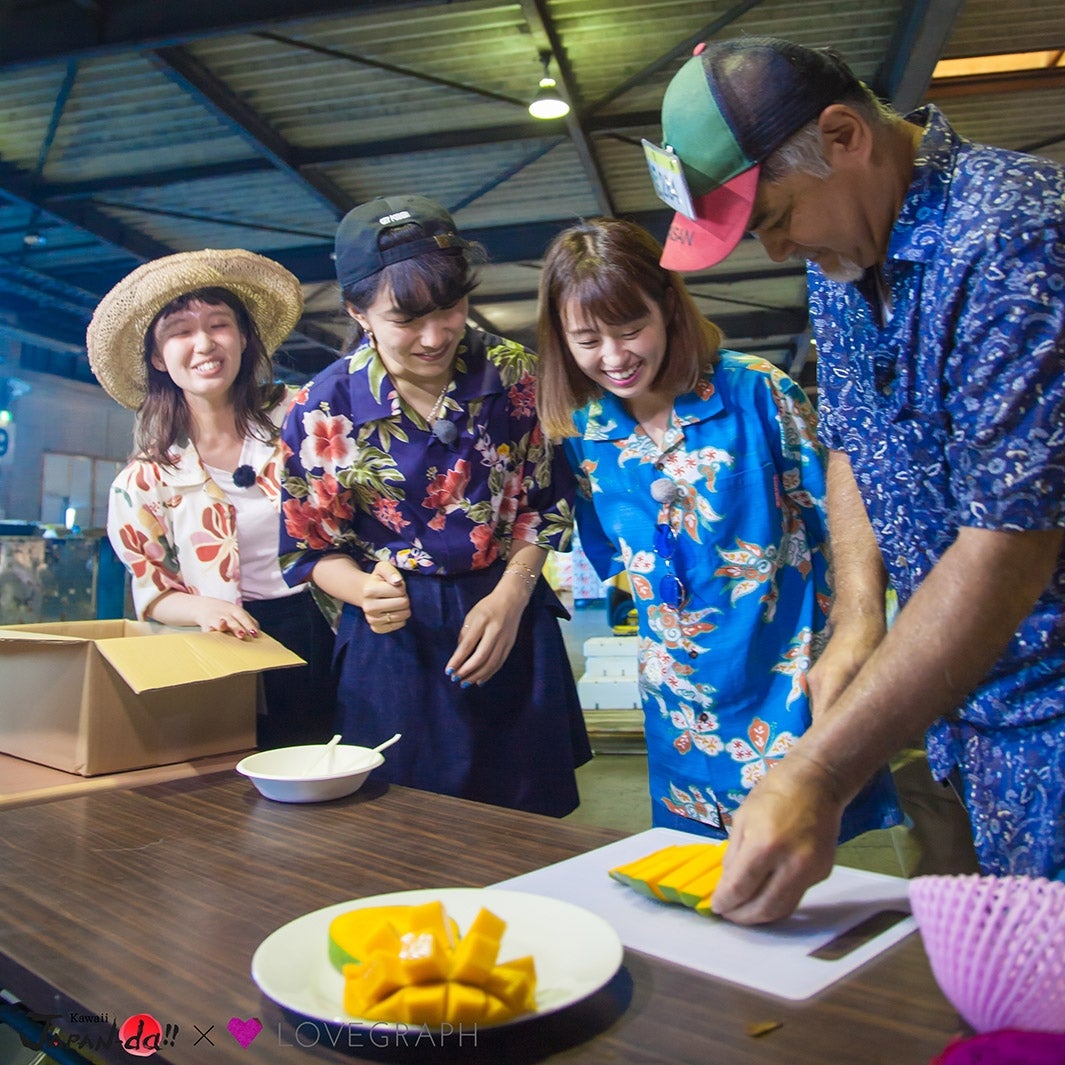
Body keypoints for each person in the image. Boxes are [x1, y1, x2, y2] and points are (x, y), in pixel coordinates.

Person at [652, 35, 1065, 922]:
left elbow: (1008, 544)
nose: (775, 249)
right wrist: (857, 619)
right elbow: (851, 439)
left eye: (775, 217)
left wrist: (821, 771)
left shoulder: (1011, 235)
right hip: (970, 707)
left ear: (843, 136)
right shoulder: (843, 257)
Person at [536, 216, 900, 841]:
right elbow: (614, 555)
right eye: (587, 340)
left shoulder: (755, 391)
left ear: (669, 308)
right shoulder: (583, 432)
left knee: (799, 845)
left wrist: (858, 629)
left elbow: (842, 517)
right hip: (682, 700)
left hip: (787, 672)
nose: (614, 358)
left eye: (631, 330)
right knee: (695, 865)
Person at [277, 193, 591, 816]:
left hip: (507, 612)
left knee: (529, 820)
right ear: (358, 312)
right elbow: (310, 548)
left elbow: (545, 506)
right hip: (395, 639)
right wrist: (365, 592)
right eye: (406, 319)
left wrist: (510, 598)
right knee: (403, 822)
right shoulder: (323, 408)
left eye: (450, 308)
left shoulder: (514, 374)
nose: (435, 335)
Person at [87, 248, 338, 750]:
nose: (204, 343)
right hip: (237, 641)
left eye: (219, 324)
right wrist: (203, 609)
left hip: (334, 617)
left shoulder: (303, 416)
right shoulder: (145, 480)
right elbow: (155, 593)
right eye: (180, 331)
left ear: (243, 337)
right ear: (158, 358)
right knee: (260, 767)